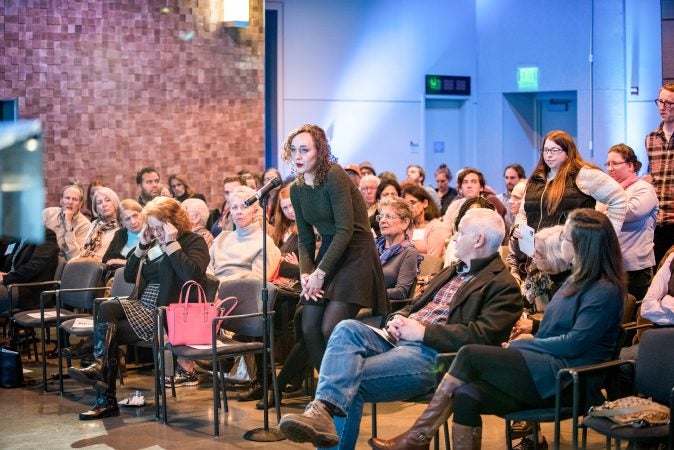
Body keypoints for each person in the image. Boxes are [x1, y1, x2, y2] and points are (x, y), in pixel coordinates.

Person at [368, 208, 625, 450]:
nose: (561, 242)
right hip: (547, 367)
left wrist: (524, 343)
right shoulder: (575, 282)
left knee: (470, 353)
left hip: (568, 379)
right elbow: (559, 330)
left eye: (566, 238)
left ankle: (418, 436)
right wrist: (532, 332)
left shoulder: (604, 289)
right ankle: (418, 437)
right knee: (466, 393)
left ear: (584, 245)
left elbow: (575, 342)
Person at [277, 208, 523, 449]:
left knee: (345, 381)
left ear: (478, 239)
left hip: (436, 356)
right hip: (398, 338)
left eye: (460, 232)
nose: (454, 237)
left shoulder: (502, 285)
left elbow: (482, 337)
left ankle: (322, 414)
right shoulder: (453, 270)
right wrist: (399, 318)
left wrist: (422, 332)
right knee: (346, 328)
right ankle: (322, 412)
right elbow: (415, 304)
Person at [68, 196, 210, 419]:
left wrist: (172, 244)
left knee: (108, 330)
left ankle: (104, 395)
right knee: (107, 313)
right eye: (152, 228)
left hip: (165, 312)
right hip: (143, 306)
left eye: (159, 227)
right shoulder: (152, 242)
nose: (156, 233)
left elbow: (191, 274)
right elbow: (129, 274)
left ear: (173, 222)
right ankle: (102, 380)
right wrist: (142, 246)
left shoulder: (193, 241)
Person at [281, 123, 388, 373]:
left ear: (320, 151)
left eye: (305, 150)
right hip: (329, 251)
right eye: (294, 149)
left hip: (356, 252)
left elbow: (345, 230)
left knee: (331, 327)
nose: (298, 156)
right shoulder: (296, 189)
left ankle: (346, 390)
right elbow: (305, 240)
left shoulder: (334, 175)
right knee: (308, 326)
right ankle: (328, 391)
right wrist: (306, 273)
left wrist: (320, 274)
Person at [515, 130, 626, 235]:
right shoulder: (536, 178)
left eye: (555, 150)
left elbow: (618, 198)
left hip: (573, 251)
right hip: (537, 252)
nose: (548, 155)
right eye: (546, 150)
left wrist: (608, 237)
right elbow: (523, 214)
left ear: (568, 152)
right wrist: (519, 228)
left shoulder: (583, 174)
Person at [605, 144, 658, 300]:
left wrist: (604, 213)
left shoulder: (643, 188)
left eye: (615, 163)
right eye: (608, 164)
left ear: (630, 166)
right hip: (612, 266)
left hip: (636, 269)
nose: (610, 168)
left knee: (634, 317)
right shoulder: (610, 191)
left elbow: (630, 212)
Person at [207, 186, 281, 285]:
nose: (238, 212)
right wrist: (211, 286)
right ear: (231, 212)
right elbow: (207, 267)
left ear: (255, 212)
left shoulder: (265, 242)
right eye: (234, 207)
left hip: (241, 294)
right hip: (211, 293)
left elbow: (257, 280)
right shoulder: (222, 237)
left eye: (244, 207)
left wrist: (220, 283)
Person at [645, 83, 674, 264]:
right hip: (658, 220)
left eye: (669, 103)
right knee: (657, 279)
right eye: (660, 102)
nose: (662, 107)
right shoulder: (651, 138)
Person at [0, 228, 58, 314]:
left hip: (30, 289)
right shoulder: (17, 238)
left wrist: (5, 278)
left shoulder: (46, 235)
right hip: (11, 283)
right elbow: (7, 262)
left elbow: (34, 266)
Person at [375, 196, 420, 301]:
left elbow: (401, 292)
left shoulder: (409, 252)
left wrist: (369, 294)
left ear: (405, 223)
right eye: (381, 217)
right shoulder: (373, 246)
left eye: (389, 217)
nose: (382, 221)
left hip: (381, 307)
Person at [43, 183, 92, 261]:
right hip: (39, 258)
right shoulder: (48, 213)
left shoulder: (85, 226)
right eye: (67, 198)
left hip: (62, 265)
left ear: (80, 204)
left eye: (75, 199)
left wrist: (68, 225)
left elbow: (75, 257)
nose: (70, 202)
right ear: (61, 200)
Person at [402, 184, 451, 258]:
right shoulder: (407, 226)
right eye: (406, 204)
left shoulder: (436, 227)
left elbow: (432, 260)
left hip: (429, 268)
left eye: (413, 202)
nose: (409, 207)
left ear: (425, 203)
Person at [75, 187, 120, 262]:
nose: (104, 204)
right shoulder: (95, 224)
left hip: (103, 266)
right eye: (99, 202)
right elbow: (84, 249)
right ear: (96, 209)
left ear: (115, 202)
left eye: (108, 200)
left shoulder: (122, 225)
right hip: (86, 262)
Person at [102, 199, 144, 267]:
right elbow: (106, 260)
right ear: (122, 222)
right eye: (127, 219)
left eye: (135, 215)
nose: (133, 222)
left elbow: (148, 263)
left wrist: (122, 262)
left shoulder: (152, 233)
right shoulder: (120, 234)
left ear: (142, 214)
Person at [498, 164, 526, 233]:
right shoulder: (498, 199)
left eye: (512, 178)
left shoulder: (528, 200)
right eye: (506, 178)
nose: (508, 181)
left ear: (521, 179)